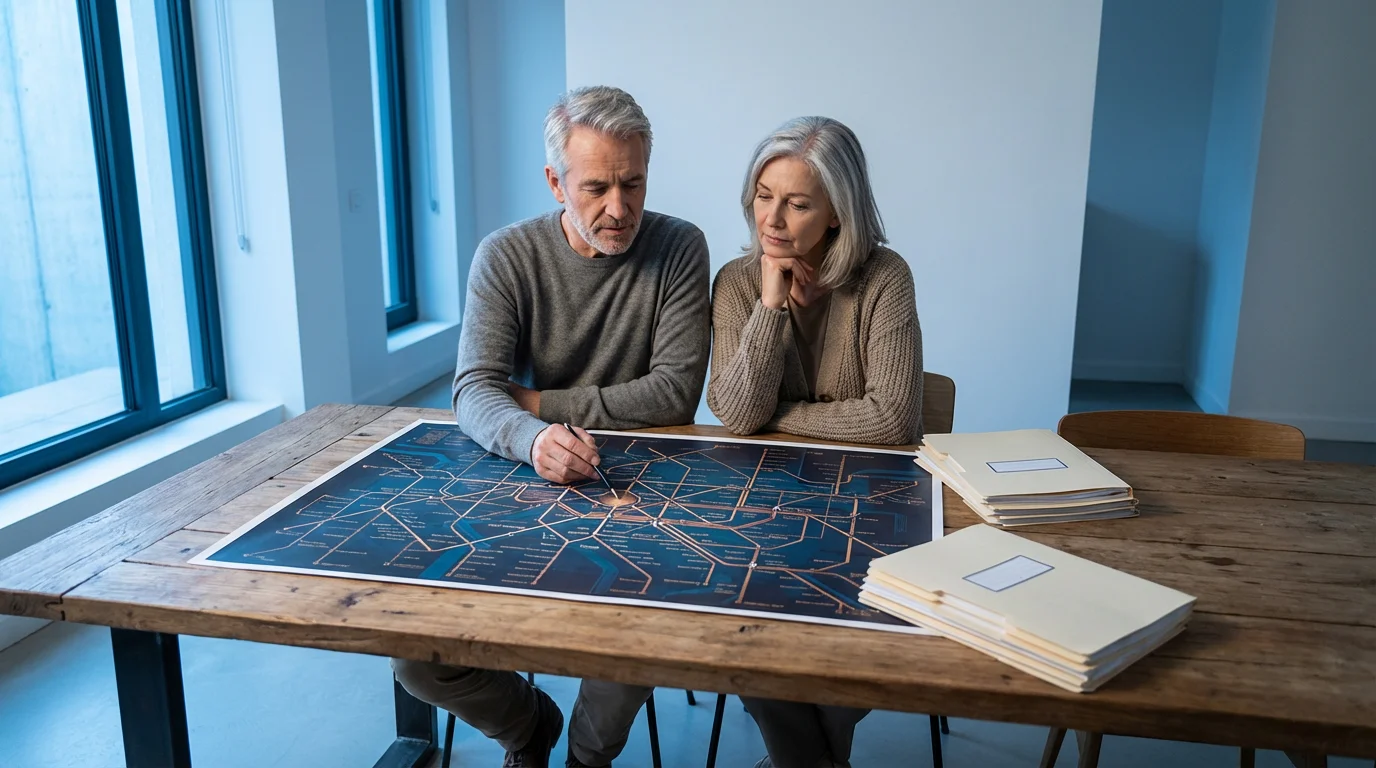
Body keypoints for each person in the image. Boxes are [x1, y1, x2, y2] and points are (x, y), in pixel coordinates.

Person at [391, 85, 711, 768]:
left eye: (634, 183)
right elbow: (473, 390)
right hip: (520, 480)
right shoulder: (506, 255)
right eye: (596, 187)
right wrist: (533, 439)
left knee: (636, 629)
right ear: (554, 181)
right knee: (418, 660)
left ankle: (586, 759)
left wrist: (540, 406)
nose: (619, 208)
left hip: (647, 486)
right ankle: (527, 727)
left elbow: (676, 394)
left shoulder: (681, 246)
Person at [707, 116, 924, 767]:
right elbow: (739, 414)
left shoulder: (885, 278)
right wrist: (771, 309)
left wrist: (778, 412)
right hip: (763, 505)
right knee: (752, 637)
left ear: (837, 212)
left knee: (840, 669)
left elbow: (892, 424)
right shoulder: (739, 282)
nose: (772, 218)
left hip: (868, 506)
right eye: (763, 194)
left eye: (798, 203)